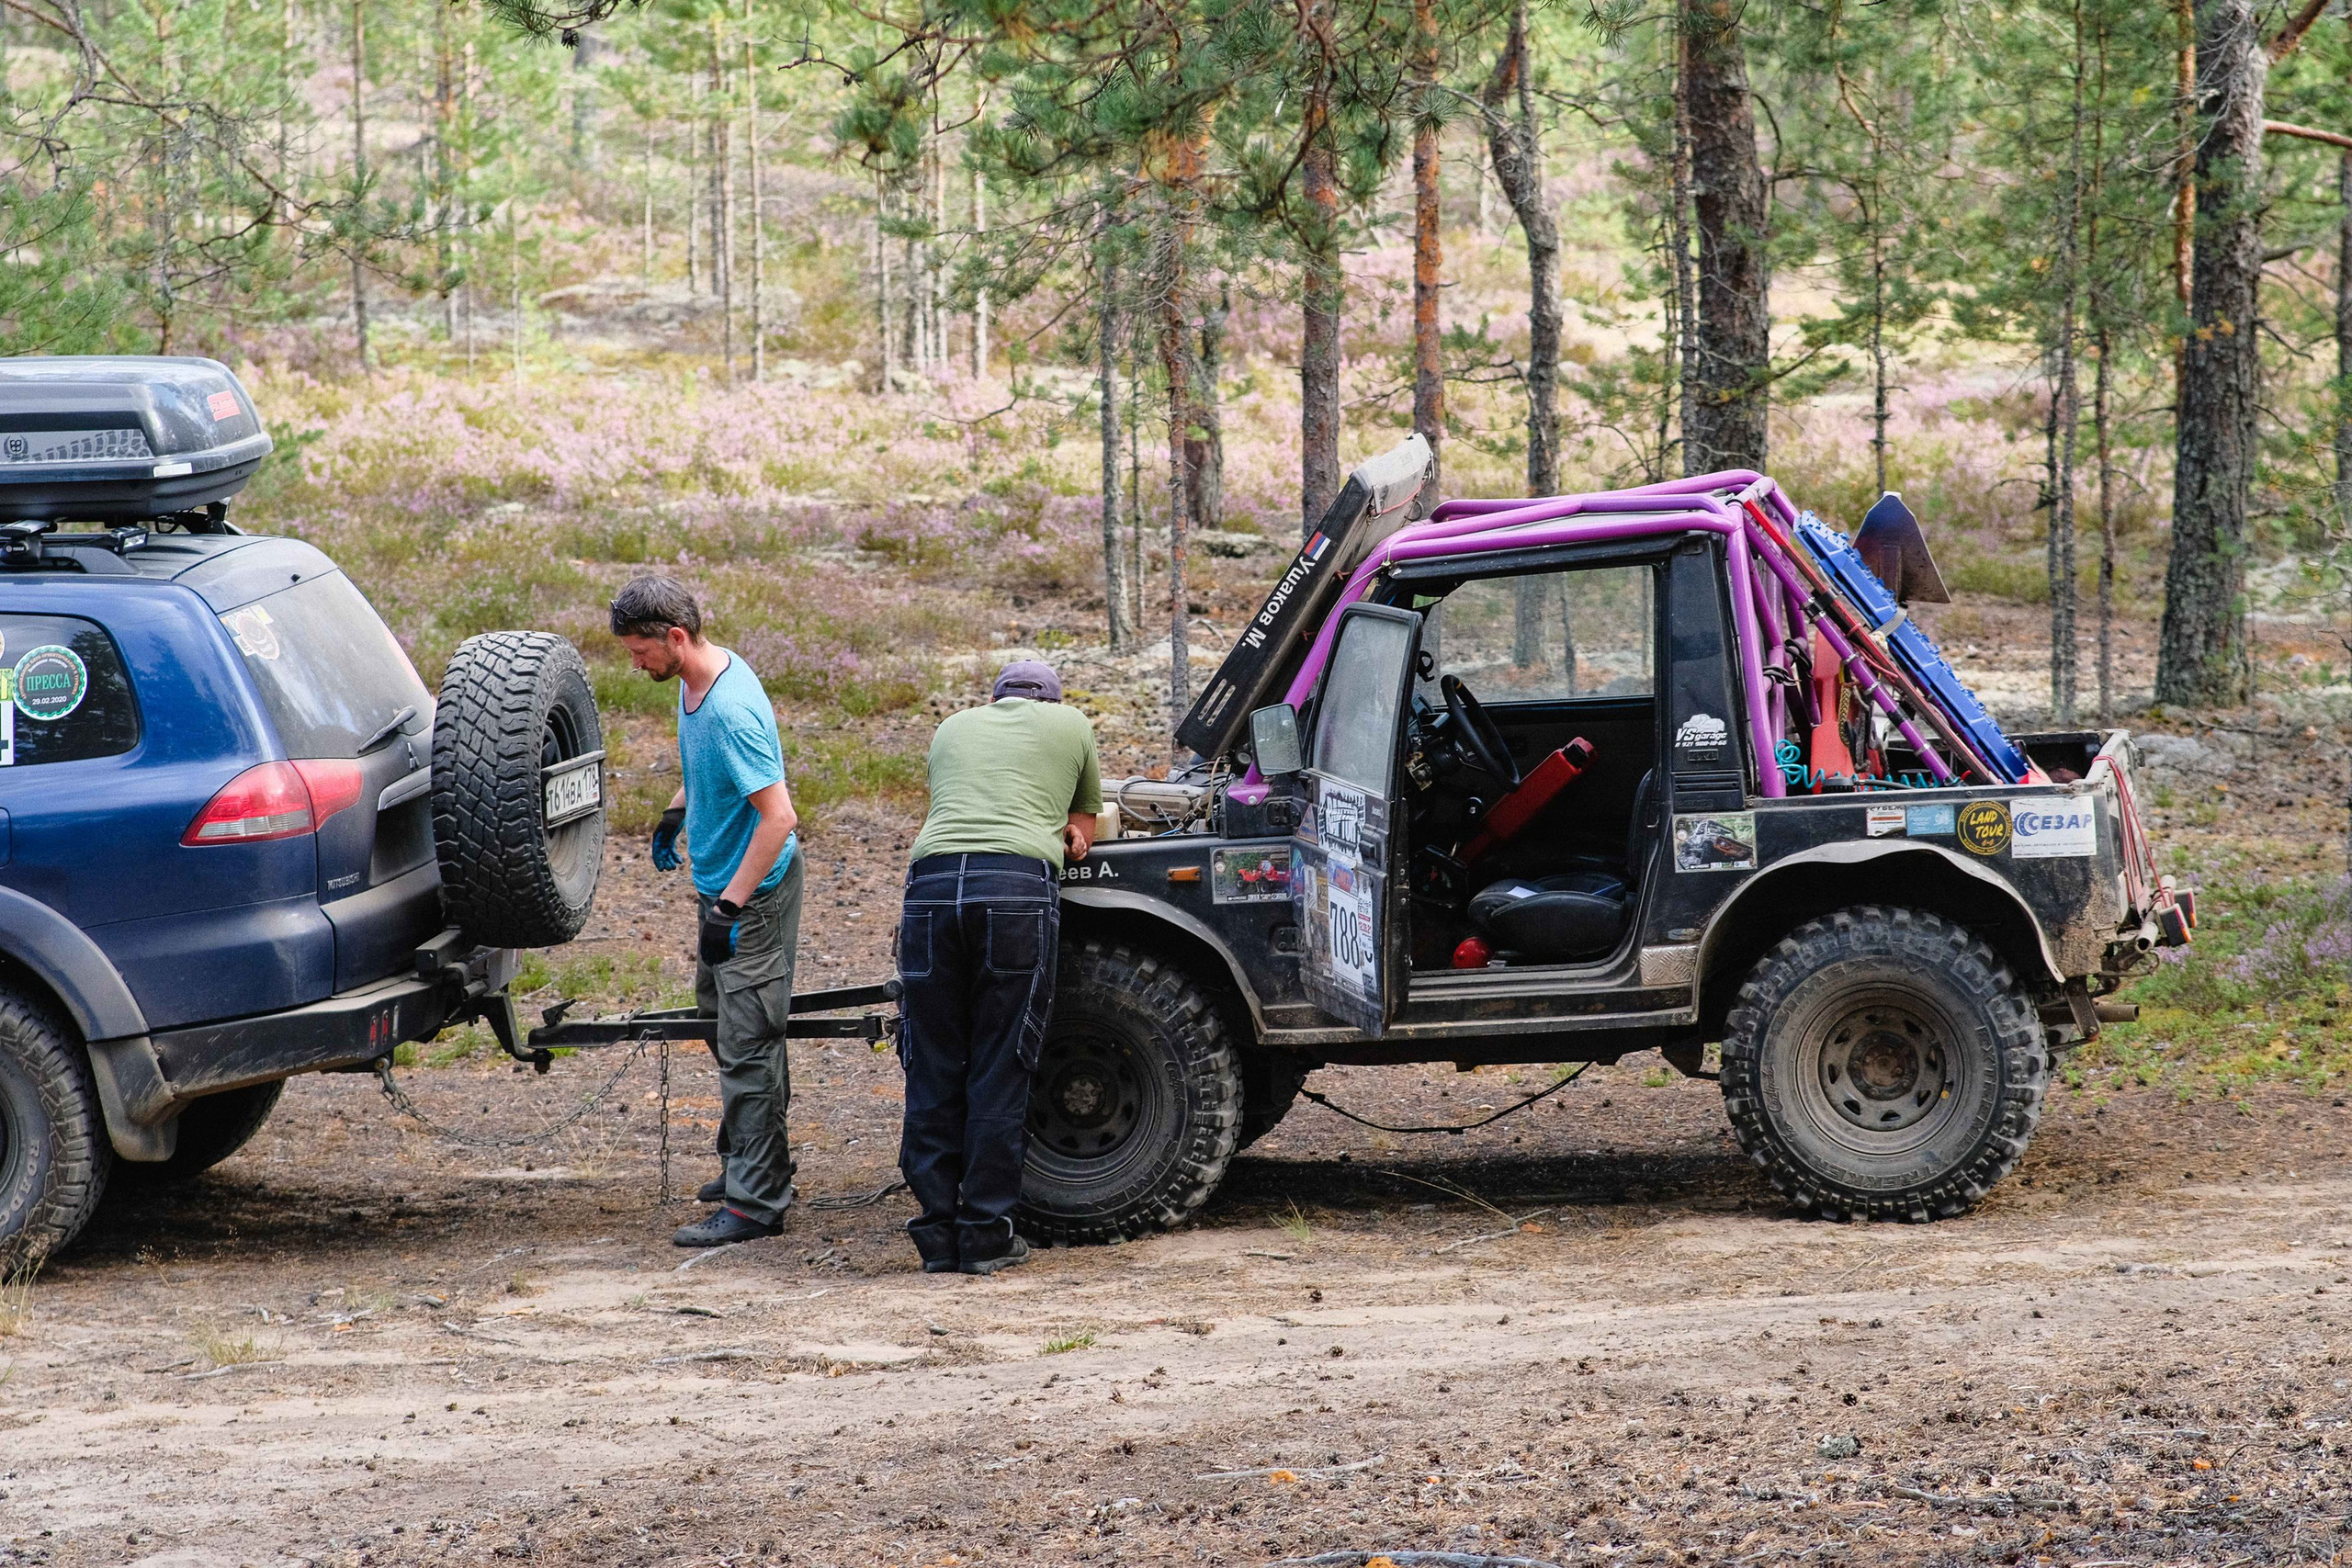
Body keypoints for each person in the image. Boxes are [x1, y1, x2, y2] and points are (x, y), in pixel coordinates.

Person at [610, 576, 805, 1247]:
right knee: (721, 1021)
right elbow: (709, 772)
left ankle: (756, 1203)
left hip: (752, 894)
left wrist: (729, 906)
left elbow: (779, 818)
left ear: (676, 637)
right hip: (722, 884)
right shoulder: (698, 680)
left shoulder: (729, 709)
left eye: (640, 652)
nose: (636, 665)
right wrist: (678, 809)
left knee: (749, 1041)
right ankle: (753, 1157)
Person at [897, 659, 1101, 1275]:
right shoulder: (1072, 724)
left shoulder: (953, 727)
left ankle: (936, 1236)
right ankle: (985, 1234)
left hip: (931, 888)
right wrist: (1068, 836)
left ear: (995, 701)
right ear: (1051, 702)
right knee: (1000, 1061)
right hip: (1013, 889)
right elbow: (1081, 830)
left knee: (933, 1062)